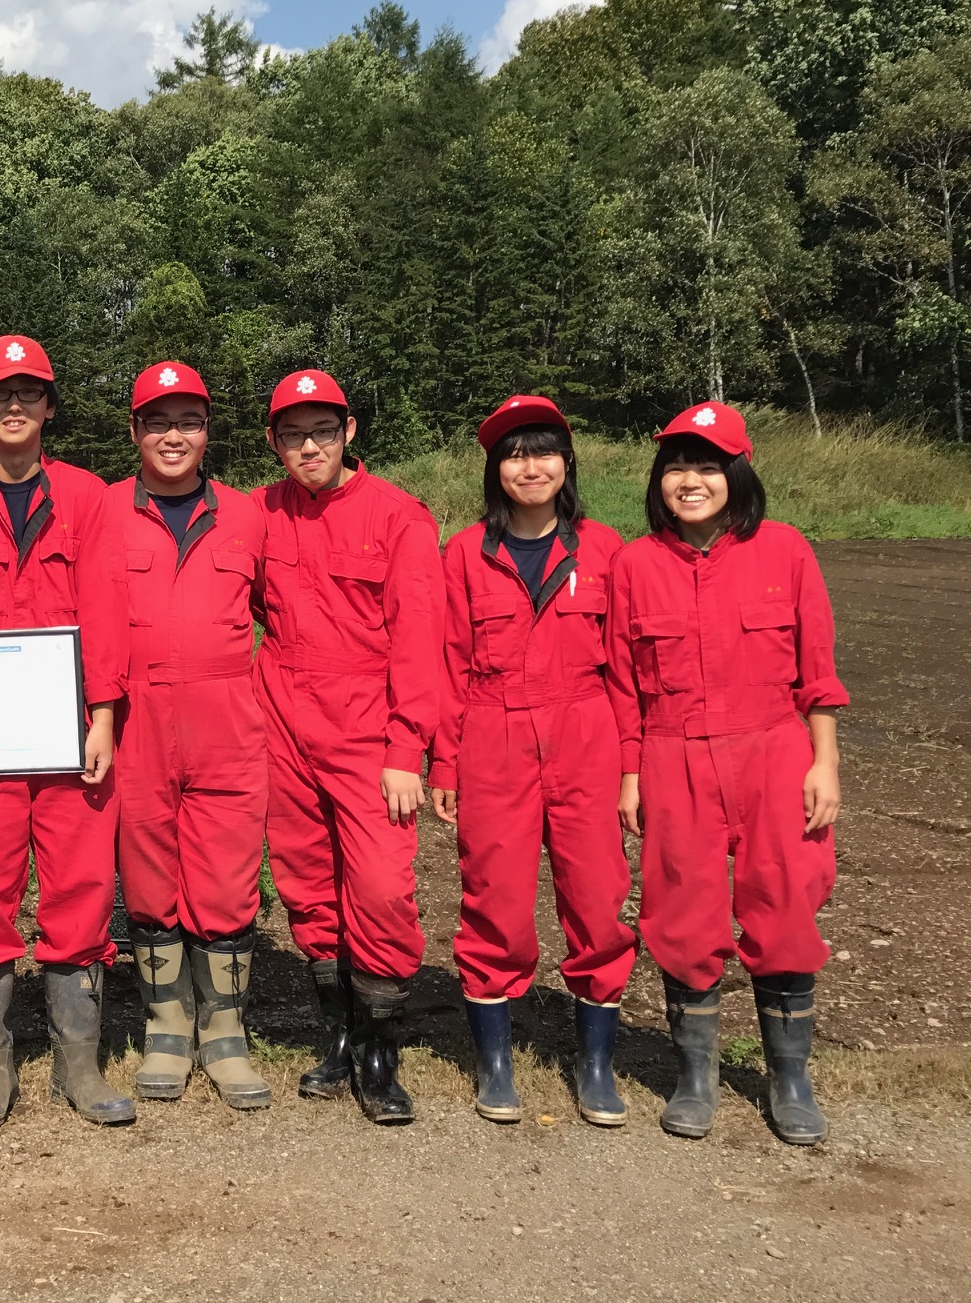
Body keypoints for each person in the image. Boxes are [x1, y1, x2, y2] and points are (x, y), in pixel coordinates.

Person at [607, 402, 847, 1145]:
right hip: (672, 754)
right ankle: (696, 1078)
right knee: (684, 914)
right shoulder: (635, 564)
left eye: (708, 466)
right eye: (678, 466)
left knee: (784, 906)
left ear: (736, 475)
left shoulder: (785, 551)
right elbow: (623, 683)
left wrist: (825, 763)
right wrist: (631, 774)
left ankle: (790, 1080)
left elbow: (818, 670)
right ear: (660, 480)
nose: (691, 481)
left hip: (775, 751)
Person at [0, 335, 132, 1129]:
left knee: (81, 891)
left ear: (48, 406)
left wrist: (104, 716)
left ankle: (79, 1067)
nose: (15, 406)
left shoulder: (88, 497)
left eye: (30, 392)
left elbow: (107, 607)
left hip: (75, 732)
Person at [427, 396, 636, 1126]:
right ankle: (495, 1061)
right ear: (495, 469)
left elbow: (627, 673)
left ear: (567, 464)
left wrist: (631, 769)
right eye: (515, 454)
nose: (530, 466)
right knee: (497, 901)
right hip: (494, 735)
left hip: (587, 734)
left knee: (599, 897)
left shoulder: (606, 551)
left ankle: (597, 1064)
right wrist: (443, 766)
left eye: (544, 451)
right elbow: (448, 668)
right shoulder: (462, 555)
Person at [254, 369, 442, 1125]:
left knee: (381, 888)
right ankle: (336, 1038)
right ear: (274, 443)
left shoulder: (399, 517)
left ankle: (380, 1051)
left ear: (350, 432)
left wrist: (407, 747)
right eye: (294, 435)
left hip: (368, 723)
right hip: (284, 717)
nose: (309, 447)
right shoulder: (259, 514)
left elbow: (421, 640)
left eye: (322, 432)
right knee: (306, 882)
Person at [103, 361, 273, 1110]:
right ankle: (167, 1025)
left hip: (227, 723)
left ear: (208, 432)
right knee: (146, 877)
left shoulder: (249, 515)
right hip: (135, 723)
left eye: (189, 422)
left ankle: (226, 1032)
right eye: (158, 422)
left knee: (229, 880)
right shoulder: (102, 511)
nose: (174, 436)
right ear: (135, 431)